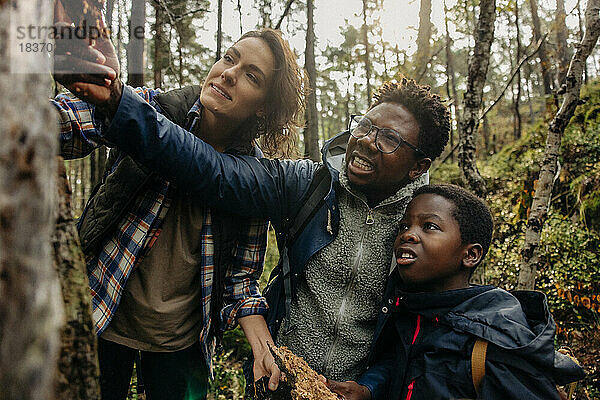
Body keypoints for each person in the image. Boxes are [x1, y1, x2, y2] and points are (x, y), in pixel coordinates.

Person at [63, 56, 452, 396]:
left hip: (348, 389)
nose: (366, 141)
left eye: (389, 139)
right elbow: (211, 170)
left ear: (418, 166)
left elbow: (418, 328)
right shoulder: (305, 184)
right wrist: (119, 105)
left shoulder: (424, 226)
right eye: (365, 126)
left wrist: (374, 387)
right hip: (277, 382)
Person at [52, 4, 306, 398]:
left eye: (251, 76)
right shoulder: (155, 108)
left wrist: (261, 343)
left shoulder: (254, 181)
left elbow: (240, 276)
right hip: (102, 312)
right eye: (229, 58)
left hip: (182, 343)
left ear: (262, 107)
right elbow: (76, 120)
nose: (229, 74)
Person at [356, 184, 585, 400]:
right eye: (404, 226)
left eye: (430, 226)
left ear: (470, 255)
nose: (408, 235)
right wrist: (369, 389)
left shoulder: (494, 343)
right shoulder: (409, 313)